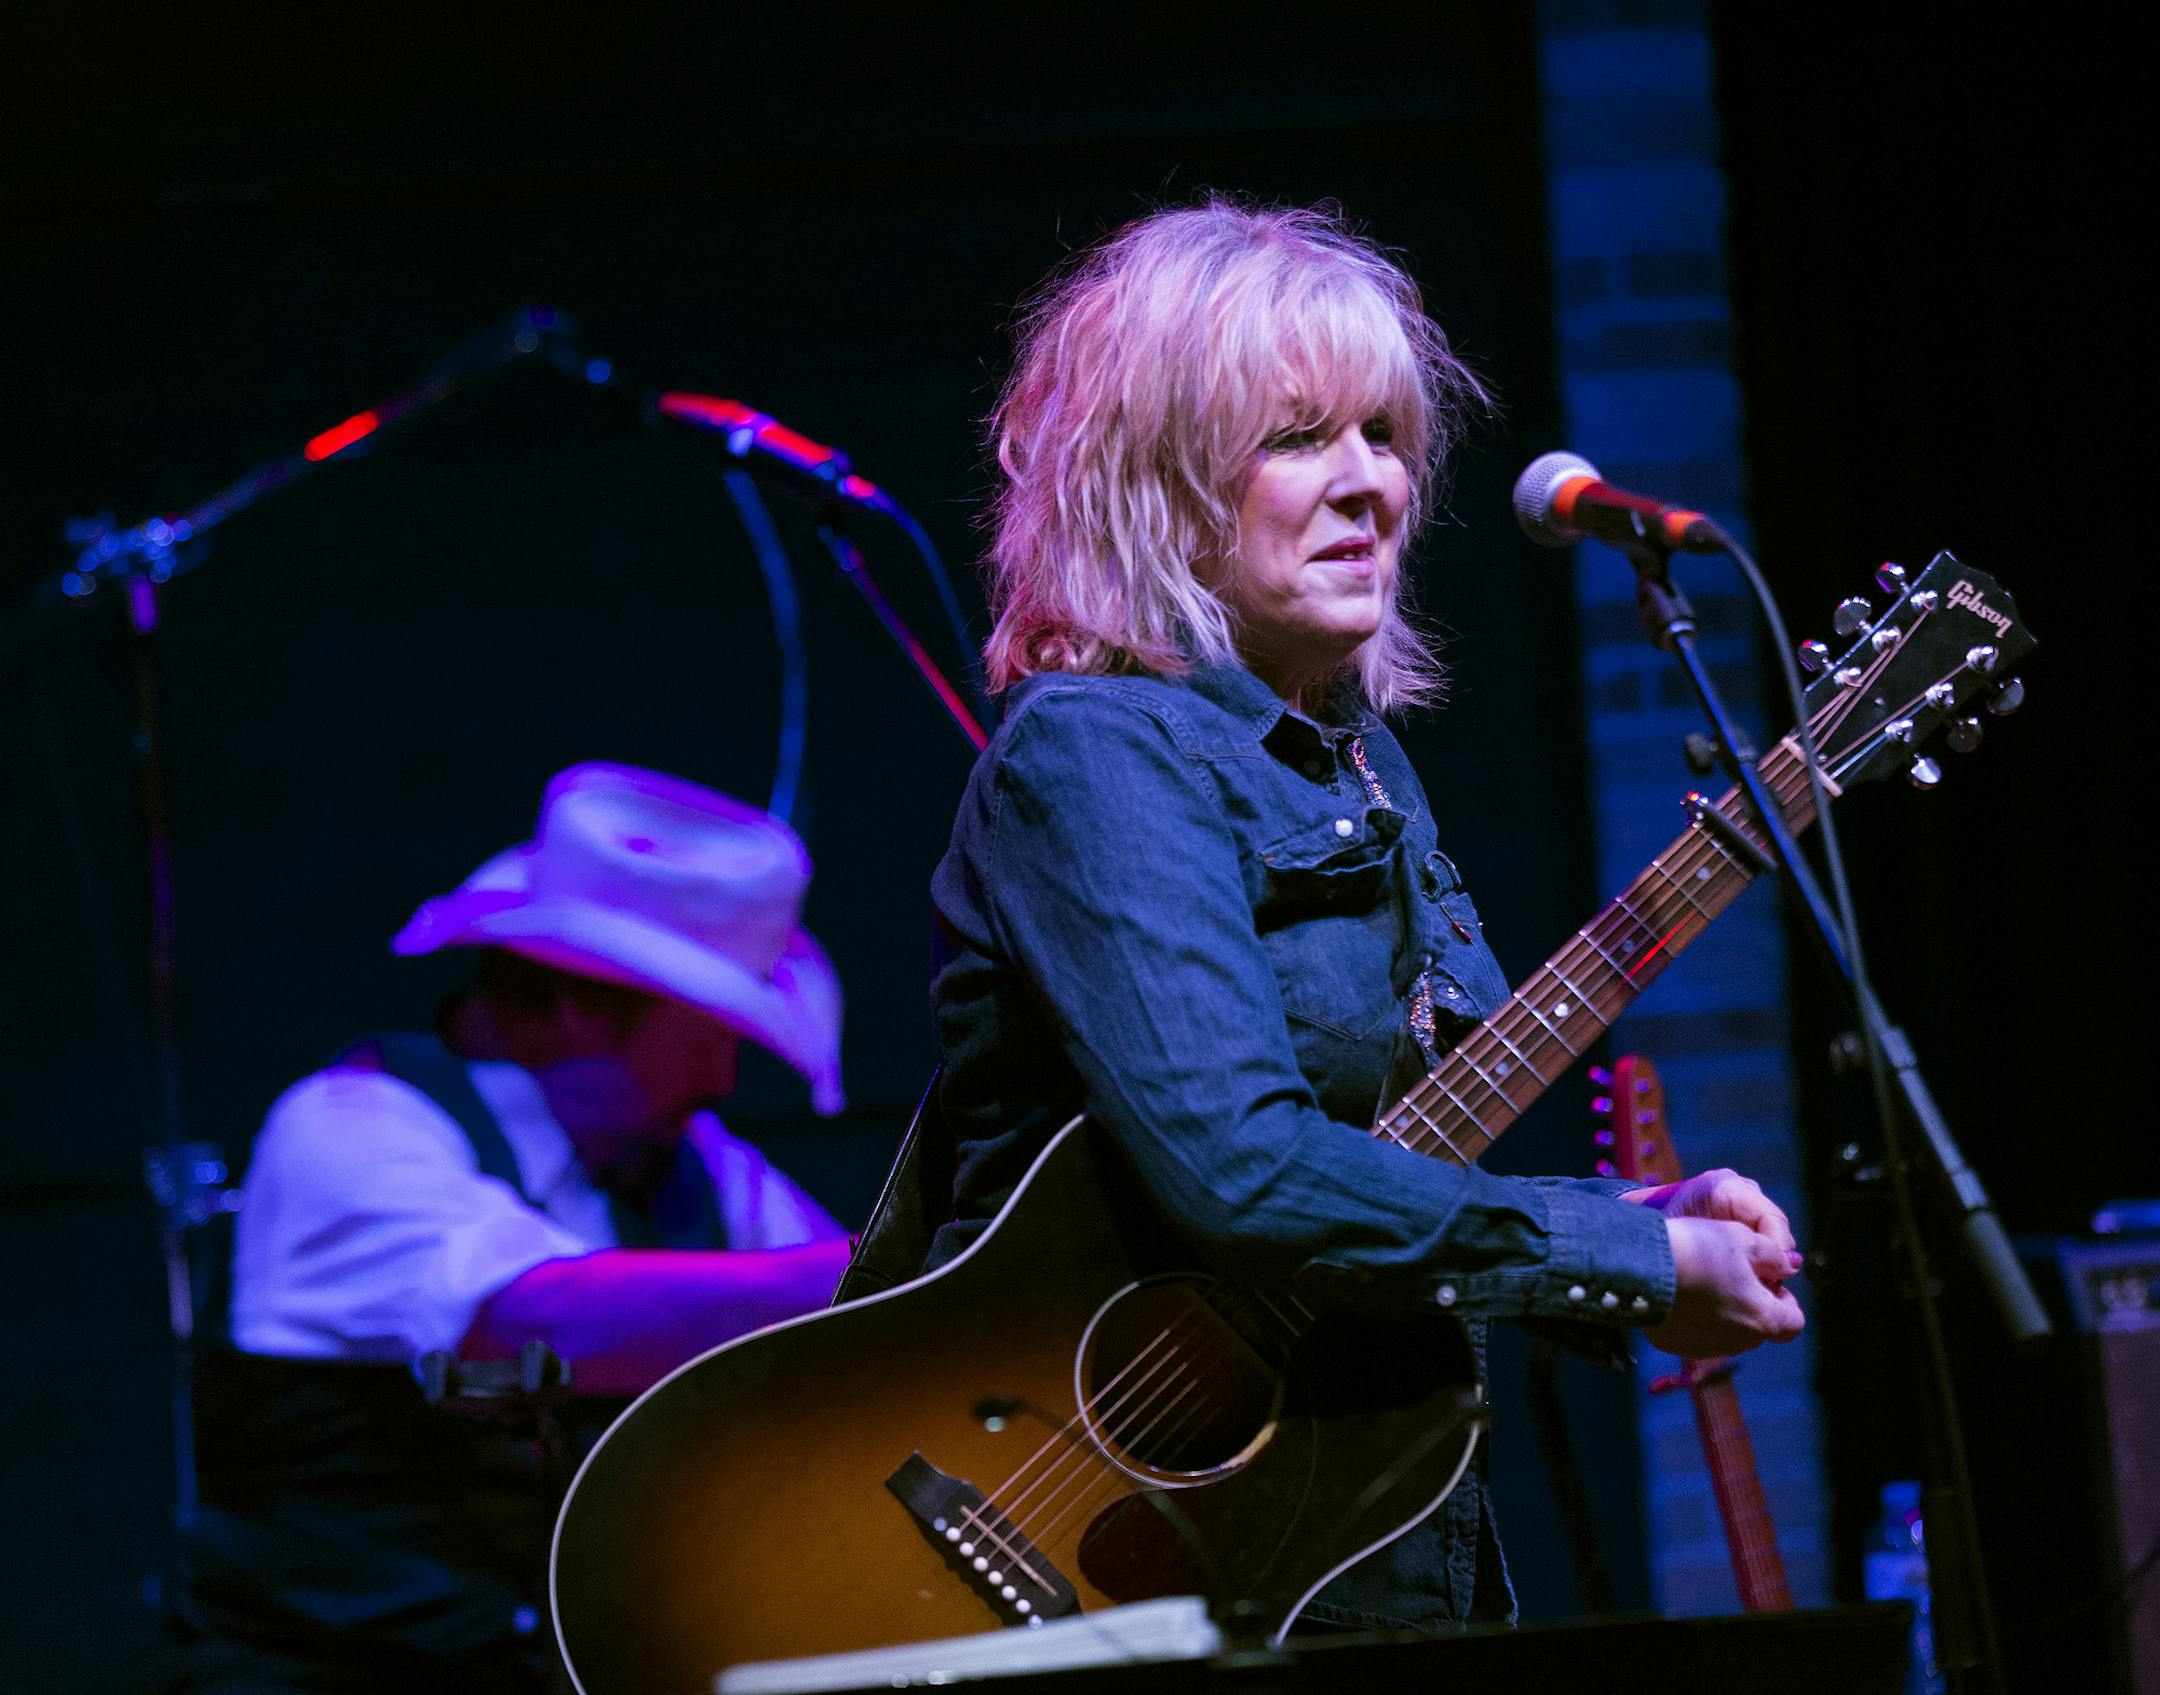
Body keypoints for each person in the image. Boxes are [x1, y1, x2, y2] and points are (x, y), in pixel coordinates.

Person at [918, 200, 1805, 1633]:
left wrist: (1631, 1220)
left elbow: (1387, 1156)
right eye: (1296, 438)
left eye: (1384, 437)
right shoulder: (1094, 751)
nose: (1368, 486)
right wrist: (1633, 1263)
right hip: (1078, 1526)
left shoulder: (1360, 758)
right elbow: (1249, 1174)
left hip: (1345, 1516)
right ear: (1154, 481)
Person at [170, 762, 854, 1693]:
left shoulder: (699, 1163)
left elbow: (855, 1314)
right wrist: (913, 1263)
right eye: (712, 1035)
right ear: (579, 1005)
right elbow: (537, 1316)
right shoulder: (351, 1125)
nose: (725, 1080)